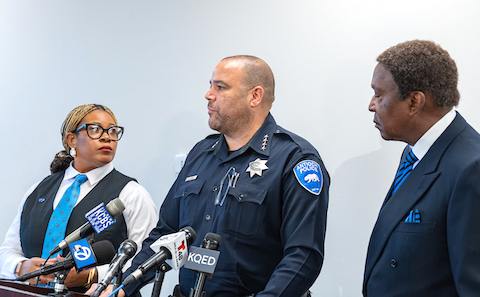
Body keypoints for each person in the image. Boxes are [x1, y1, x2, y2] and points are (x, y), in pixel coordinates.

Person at [90, 55, 330, 297]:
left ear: (255, 96)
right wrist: (122, 287)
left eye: (220, 87)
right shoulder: (200, 154)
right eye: (210, 85)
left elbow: (303, 256)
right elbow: (165, 233)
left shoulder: (295, 160)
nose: (208, 95)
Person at [363, 40, 480, 296]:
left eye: (379, 94)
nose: (371, 105)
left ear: (414, 102)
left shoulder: (471, 168)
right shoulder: (415, 153)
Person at [0, 104, 158, 292]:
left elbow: (148, 261)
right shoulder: (38, 190)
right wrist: (20, 267)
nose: (107, 136)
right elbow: (8, 251)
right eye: (95, 129)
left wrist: (94, 275)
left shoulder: (132, 194)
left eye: (113, 131)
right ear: (72, 139)